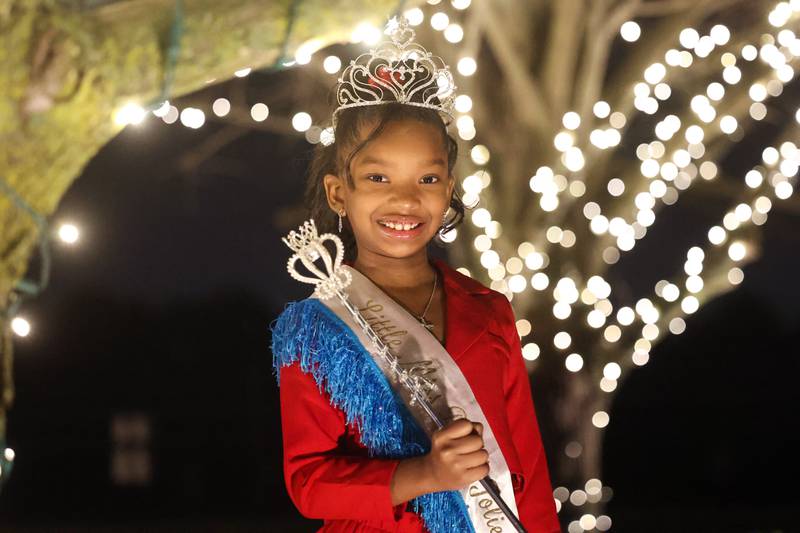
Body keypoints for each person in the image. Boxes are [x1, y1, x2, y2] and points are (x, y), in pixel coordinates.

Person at [271, 16, 560, 533]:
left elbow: (529, 472)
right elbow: (310, 485)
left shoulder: (490, 311)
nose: (405, 198)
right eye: (377, 177)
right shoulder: (316, 331)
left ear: (449, 189)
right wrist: (424, 474)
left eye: (427, 178)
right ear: (340, 193)